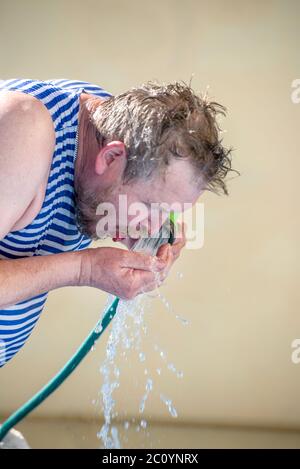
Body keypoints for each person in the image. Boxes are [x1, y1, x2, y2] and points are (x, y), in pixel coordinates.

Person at [0, 78, 233, 367]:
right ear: (111, 157)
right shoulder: (22, 128)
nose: (152, 226)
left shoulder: (109, 123)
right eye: (151, 206)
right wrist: (83, 268)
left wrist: (151, 229)